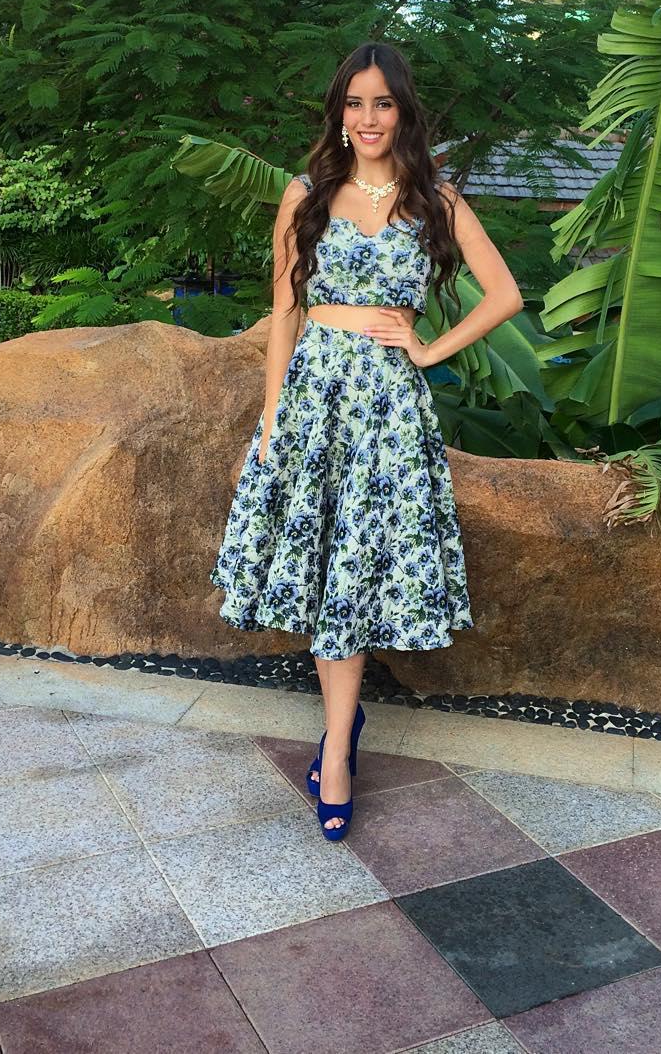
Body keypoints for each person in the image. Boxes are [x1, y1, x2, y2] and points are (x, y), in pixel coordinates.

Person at [210, 41, 523, 840]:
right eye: (354, 103)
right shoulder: (306, 193)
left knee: (355, 572)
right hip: (315, 404)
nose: (368, 117)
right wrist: (273, 420)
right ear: (339, 113)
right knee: (326, 572)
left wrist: (429, 349)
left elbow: (505, 295)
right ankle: (341, 732)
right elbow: (284, 312)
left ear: (402, 111)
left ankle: (338, 746)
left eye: (382, 102)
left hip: (387, 410)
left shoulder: (435, 199)